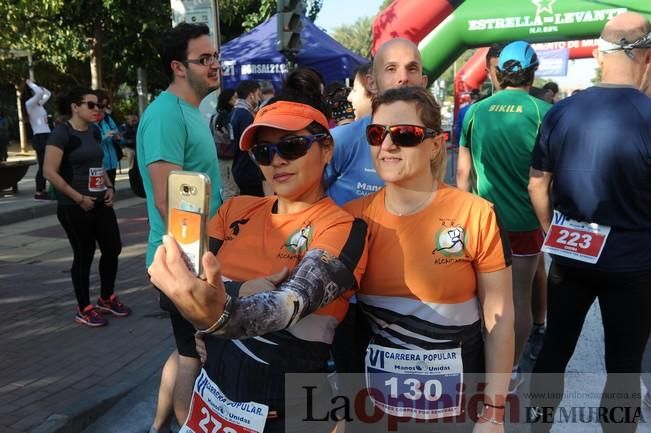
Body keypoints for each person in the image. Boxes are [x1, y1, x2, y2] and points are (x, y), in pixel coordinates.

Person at [148, 68, 368, 433]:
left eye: (292, 146)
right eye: (264, 152)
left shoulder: (342, 228)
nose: (277, 160)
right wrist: (234, 295)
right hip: (212, 408)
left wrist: (211, 313)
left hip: (290, 416)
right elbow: (170, 289)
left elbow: (291, 303)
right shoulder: (236, 210)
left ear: (326, 148)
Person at [345, 86, 514, 431]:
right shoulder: (351, 220)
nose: (387, 145)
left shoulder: (476, 215)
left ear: (436, 144)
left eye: (405, 135)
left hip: (456, 407)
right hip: (375, 407)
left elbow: (500, 321)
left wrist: (493, 412)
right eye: (377, 134)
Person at [528, 12, 651, 433]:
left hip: (570, 256)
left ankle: (538, 426)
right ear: (647, 56)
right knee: (623, 367)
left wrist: (553, 234)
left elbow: (537, 187)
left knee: (554, 352)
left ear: (600, 53)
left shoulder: (561, 112)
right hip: (634, 265)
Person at [136, 22, 223, 433]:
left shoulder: (191, 112)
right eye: (203, 59)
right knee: (194, 357)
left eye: (215, 57)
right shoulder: (165, 116)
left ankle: (159, 428)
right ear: (178, 67)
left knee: (183, 351)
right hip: (181, 261)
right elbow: (167, 198)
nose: (214, 65)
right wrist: (194, 274)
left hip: (190, 258)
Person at [456, 41, 551, 393]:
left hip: (484, 222)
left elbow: (463, 176)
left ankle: (482, 364)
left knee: (485, 300)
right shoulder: (543, 111)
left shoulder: (476, 112)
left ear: (497, 73)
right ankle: (509, 368)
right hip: (526, 224)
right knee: (519, 299)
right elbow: (547, 178)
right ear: (533, 72)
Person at [42, 86, 129, 327]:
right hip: (73, 205)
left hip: (100, 201)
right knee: (84, 254)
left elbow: (98, 163)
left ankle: (106, 297)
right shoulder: (62, 133)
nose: (97, 110)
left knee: (112, 247)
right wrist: (78, 197)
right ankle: (84, 307)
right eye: (91, 105)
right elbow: (48, 171)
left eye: (99, 106)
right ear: (75, 107)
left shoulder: (93, 131)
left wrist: (109, 187)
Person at [325, 38, 428, 206]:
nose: (403, 78)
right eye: (391, 69)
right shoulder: (342, 139)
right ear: (372, 83)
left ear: (423, 83)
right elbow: (307, 202)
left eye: (412, 68)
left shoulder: (430, 140)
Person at [230, 80, 265, 196]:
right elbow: (250, 147)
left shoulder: (235, 112)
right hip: (249, 170)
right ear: (251, 95)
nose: (260, 98)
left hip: (239, 167)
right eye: (258, 94)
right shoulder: (245, 116)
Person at [23, 79, 52, 199]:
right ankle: (40, 191)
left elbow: (48, 94)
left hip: (47, 135)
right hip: (40, 137)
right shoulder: (29, 104)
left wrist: (38, 86)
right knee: (43, 165)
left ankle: (45, 189)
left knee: (49, 164)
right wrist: (30, 84)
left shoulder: (38, 104)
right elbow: (40, 93)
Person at [210, 88, 239, 200]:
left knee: (228, 187)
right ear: (228, 100)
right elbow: (227, 136)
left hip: (220, 155)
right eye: (235, 97)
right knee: (230, 189)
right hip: (228, 157)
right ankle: (229, 215)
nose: (237, 100)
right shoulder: (227, 116)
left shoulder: (214, 116)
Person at [95, 90, 123, 186]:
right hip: (100, 166)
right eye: (101, 106)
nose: (103, 109)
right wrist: (104, 136)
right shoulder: (89, 121)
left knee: (111, 191)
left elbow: (118, 134)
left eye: (105, 106)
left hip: (112, 163)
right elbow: (90, 143)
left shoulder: (107, 119)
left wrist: (117, 137)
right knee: (101, 195)